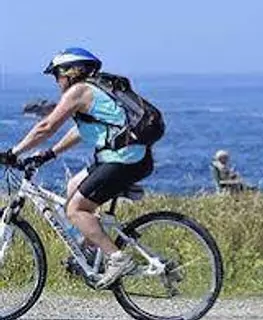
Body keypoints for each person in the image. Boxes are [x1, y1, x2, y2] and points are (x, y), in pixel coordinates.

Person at [0, 48, 154, 289]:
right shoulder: (94, 91)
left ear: (70, 72)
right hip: (124, 157)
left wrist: (13, 153)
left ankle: (117, 258)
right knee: (73, 188)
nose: (57, 81)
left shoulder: (79, 91)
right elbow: (80, 132)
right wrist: (49, 154)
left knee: (75, 210)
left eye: (57, 75)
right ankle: (91, 251)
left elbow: (46, 127)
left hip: (123, 159)